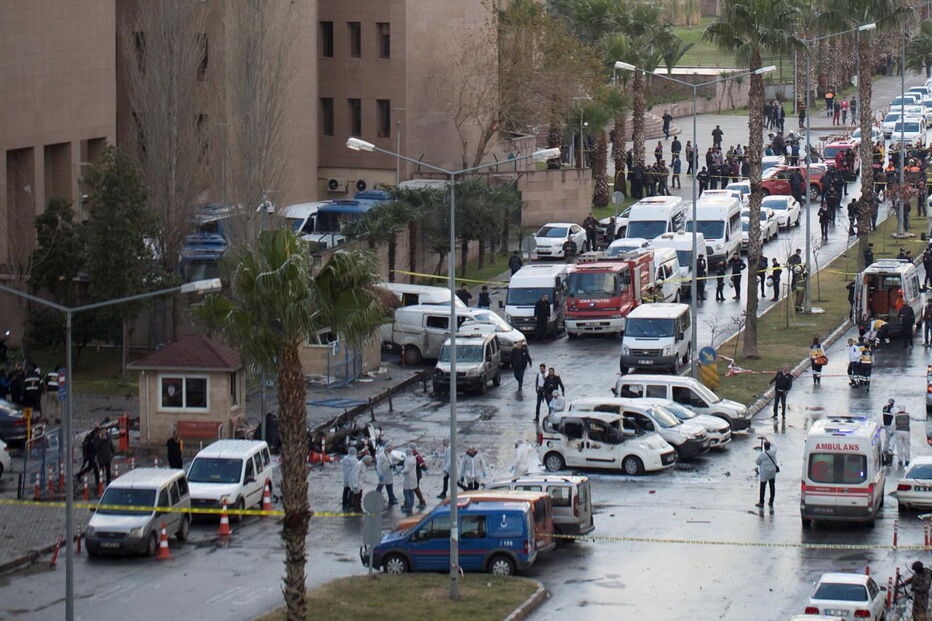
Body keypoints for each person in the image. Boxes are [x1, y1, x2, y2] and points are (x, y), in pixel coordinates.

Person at [755, 440, 778, 508]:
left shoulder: (763, 454)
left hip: (764, 473)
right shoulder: (773, 451)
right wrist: (768, 440)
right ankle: (771, 501)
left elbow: (757, 462)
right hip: (772, 472)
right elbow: (775, 445)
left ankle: (761, 502)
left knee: (763, 487)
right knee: (772, 486)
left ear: (764, 447)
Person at [341, 446, 359, 510]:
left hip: (345, 476)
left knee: (345, 489)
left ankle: (344, 502)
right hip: (352, 477)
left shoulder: (345, 458)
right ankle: (350, 503)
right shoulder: (355, 459)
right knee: (352, 490)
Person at [401, 447, 417, 513]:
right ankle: (411, 505)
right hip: (413, 478)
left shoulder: (407, 460)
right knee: (411, 492)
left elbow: (407, 469)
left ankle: (408, 507)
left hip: (408, 478)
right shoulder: (413, 458)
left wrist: (401, 471)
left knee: (406, 492)